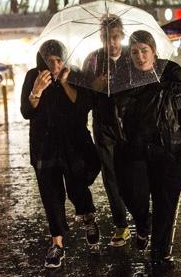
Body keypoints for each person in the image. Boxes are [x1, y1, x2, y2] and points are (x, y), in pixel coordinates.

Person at [114, 30, 181, 269]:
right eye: (135, 52)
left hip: (173, 149)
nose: (140, 57)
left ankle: (160, 254)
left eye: (144, 51)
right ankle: (143, 223)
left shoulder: (170, 72)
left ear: (153, 51)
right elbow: (119, 110)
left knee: (164, 202)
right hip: (137, 150)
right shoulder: (124, 77)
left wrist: (157, 90)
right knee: (133, 195)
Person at [20, 40, 100, 269]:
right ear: (41, 62)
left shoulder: (75, 75)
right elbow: (26, 112)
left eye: (58, 60)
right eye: (49, 61)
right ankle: (57, 243)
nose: (54, 66)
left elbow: (84, 106)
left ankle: (88, 218)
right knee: (51, 196)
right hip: (45, 147)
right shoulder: (32, 77)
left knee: (77, 188)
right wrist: (36, 91)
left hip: (73, 146)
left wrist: (65, 84)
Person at [82, 14, 132, 247]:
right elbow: (84, 97)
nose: (111, 43)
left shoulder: (133, 56)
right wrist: (96, 87)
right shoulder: (93, 60)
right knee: (110, 176)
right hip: (103, 125)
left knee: (133, 173)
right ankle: (121, 225)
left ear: (121, 35)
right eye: (106, 38)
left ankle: (141, 217)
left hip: (129, 125)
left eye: (115, 37)